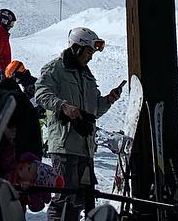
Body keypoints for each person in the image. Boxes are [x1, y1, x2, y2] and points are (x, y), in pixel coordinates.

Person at [35, 26, 123, 221]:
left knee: (82, 199)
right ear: (76, 48)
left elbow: (94, 111)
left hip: (85, 147)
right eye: (89, 51)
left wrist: (108, 99)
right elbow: (41, 93)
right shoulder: (56, 69)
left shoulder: (87, 75)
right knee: (63, 199)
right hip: (65, 146)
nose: (90, 56)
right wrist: (63, 106)